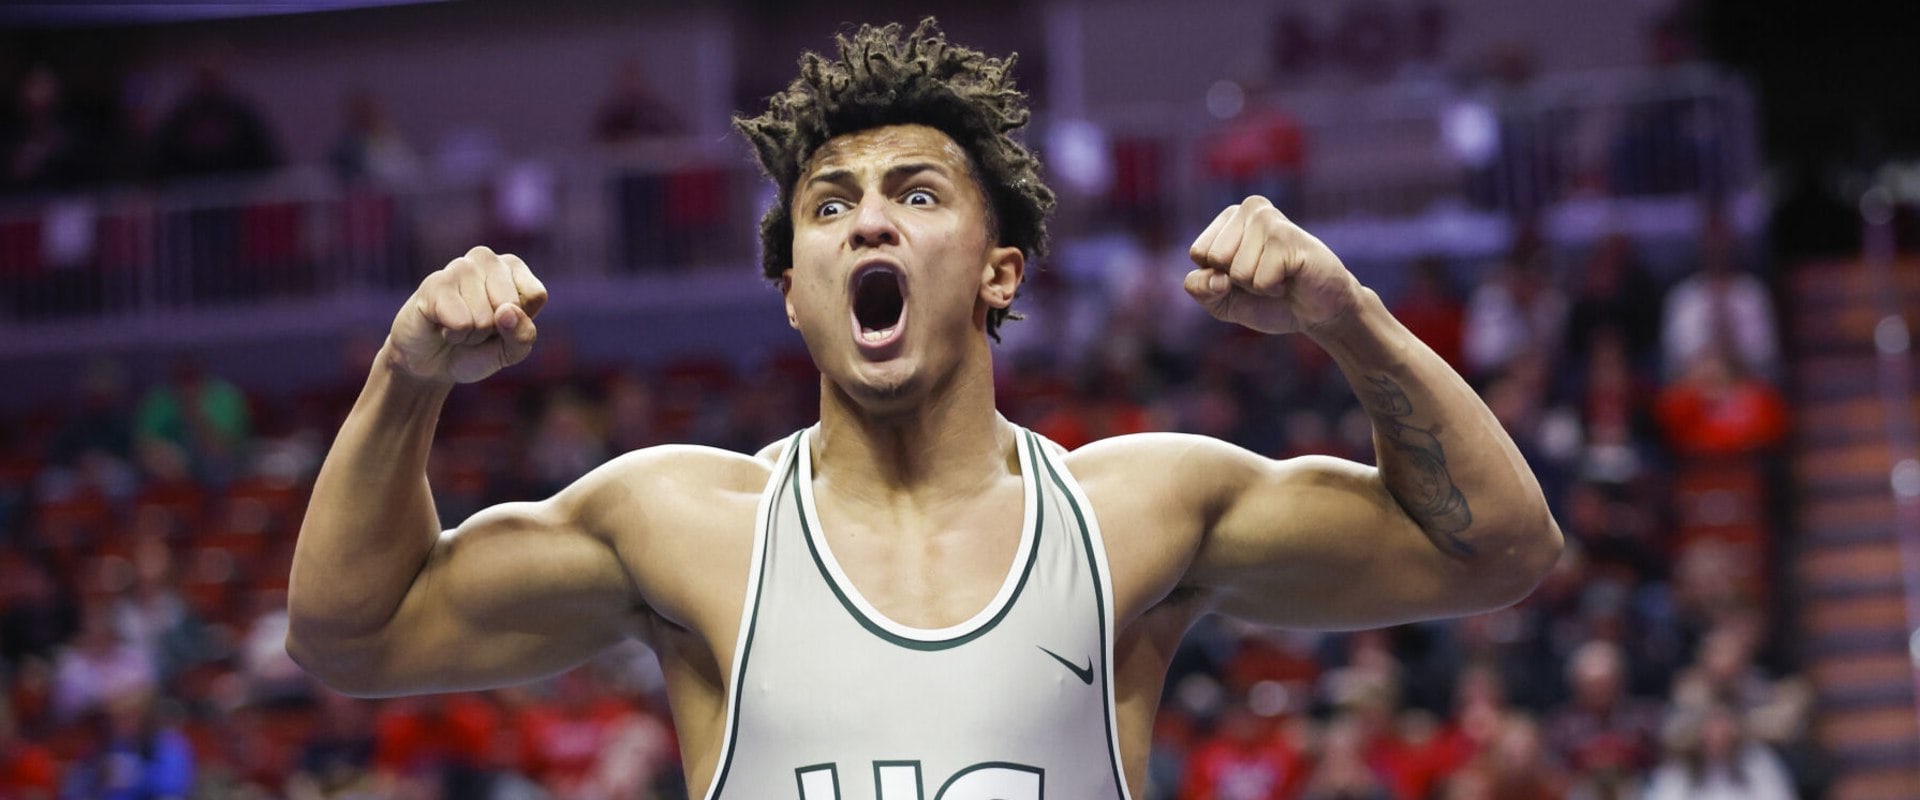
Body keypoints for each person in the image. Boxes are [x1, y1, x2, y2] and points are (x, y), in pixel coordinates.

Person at [286, 20, 1562, 798]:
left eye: (915, 193)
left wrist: (1348, 315)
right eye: (829, 205)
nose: (869, 222)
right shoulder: (682, 521)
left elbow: (1500, 550)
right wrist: (407, 374)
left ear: (999, 271)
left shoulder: (1134, 511)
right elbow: (352, 636)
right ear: (795, 292)